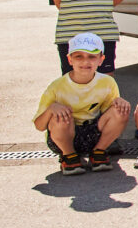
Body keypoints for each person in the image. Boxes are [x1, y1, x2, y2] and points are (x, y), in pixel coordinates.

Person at [35, 32, 130, 174]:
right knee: (59, 115)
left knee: (120, 110)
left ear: (101, 60)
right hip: (64, 136)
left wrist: (119, 103)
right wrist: (51, 109)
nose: (85, 62)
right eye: (79, 56)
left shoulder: (107, 82)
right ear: (70, 59)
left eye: (92, 57)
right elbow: (39, 125)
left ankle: (99, 151)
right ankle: (68, 155)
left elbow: (110, 113)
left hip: (93, 135)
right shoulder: (56, 86)